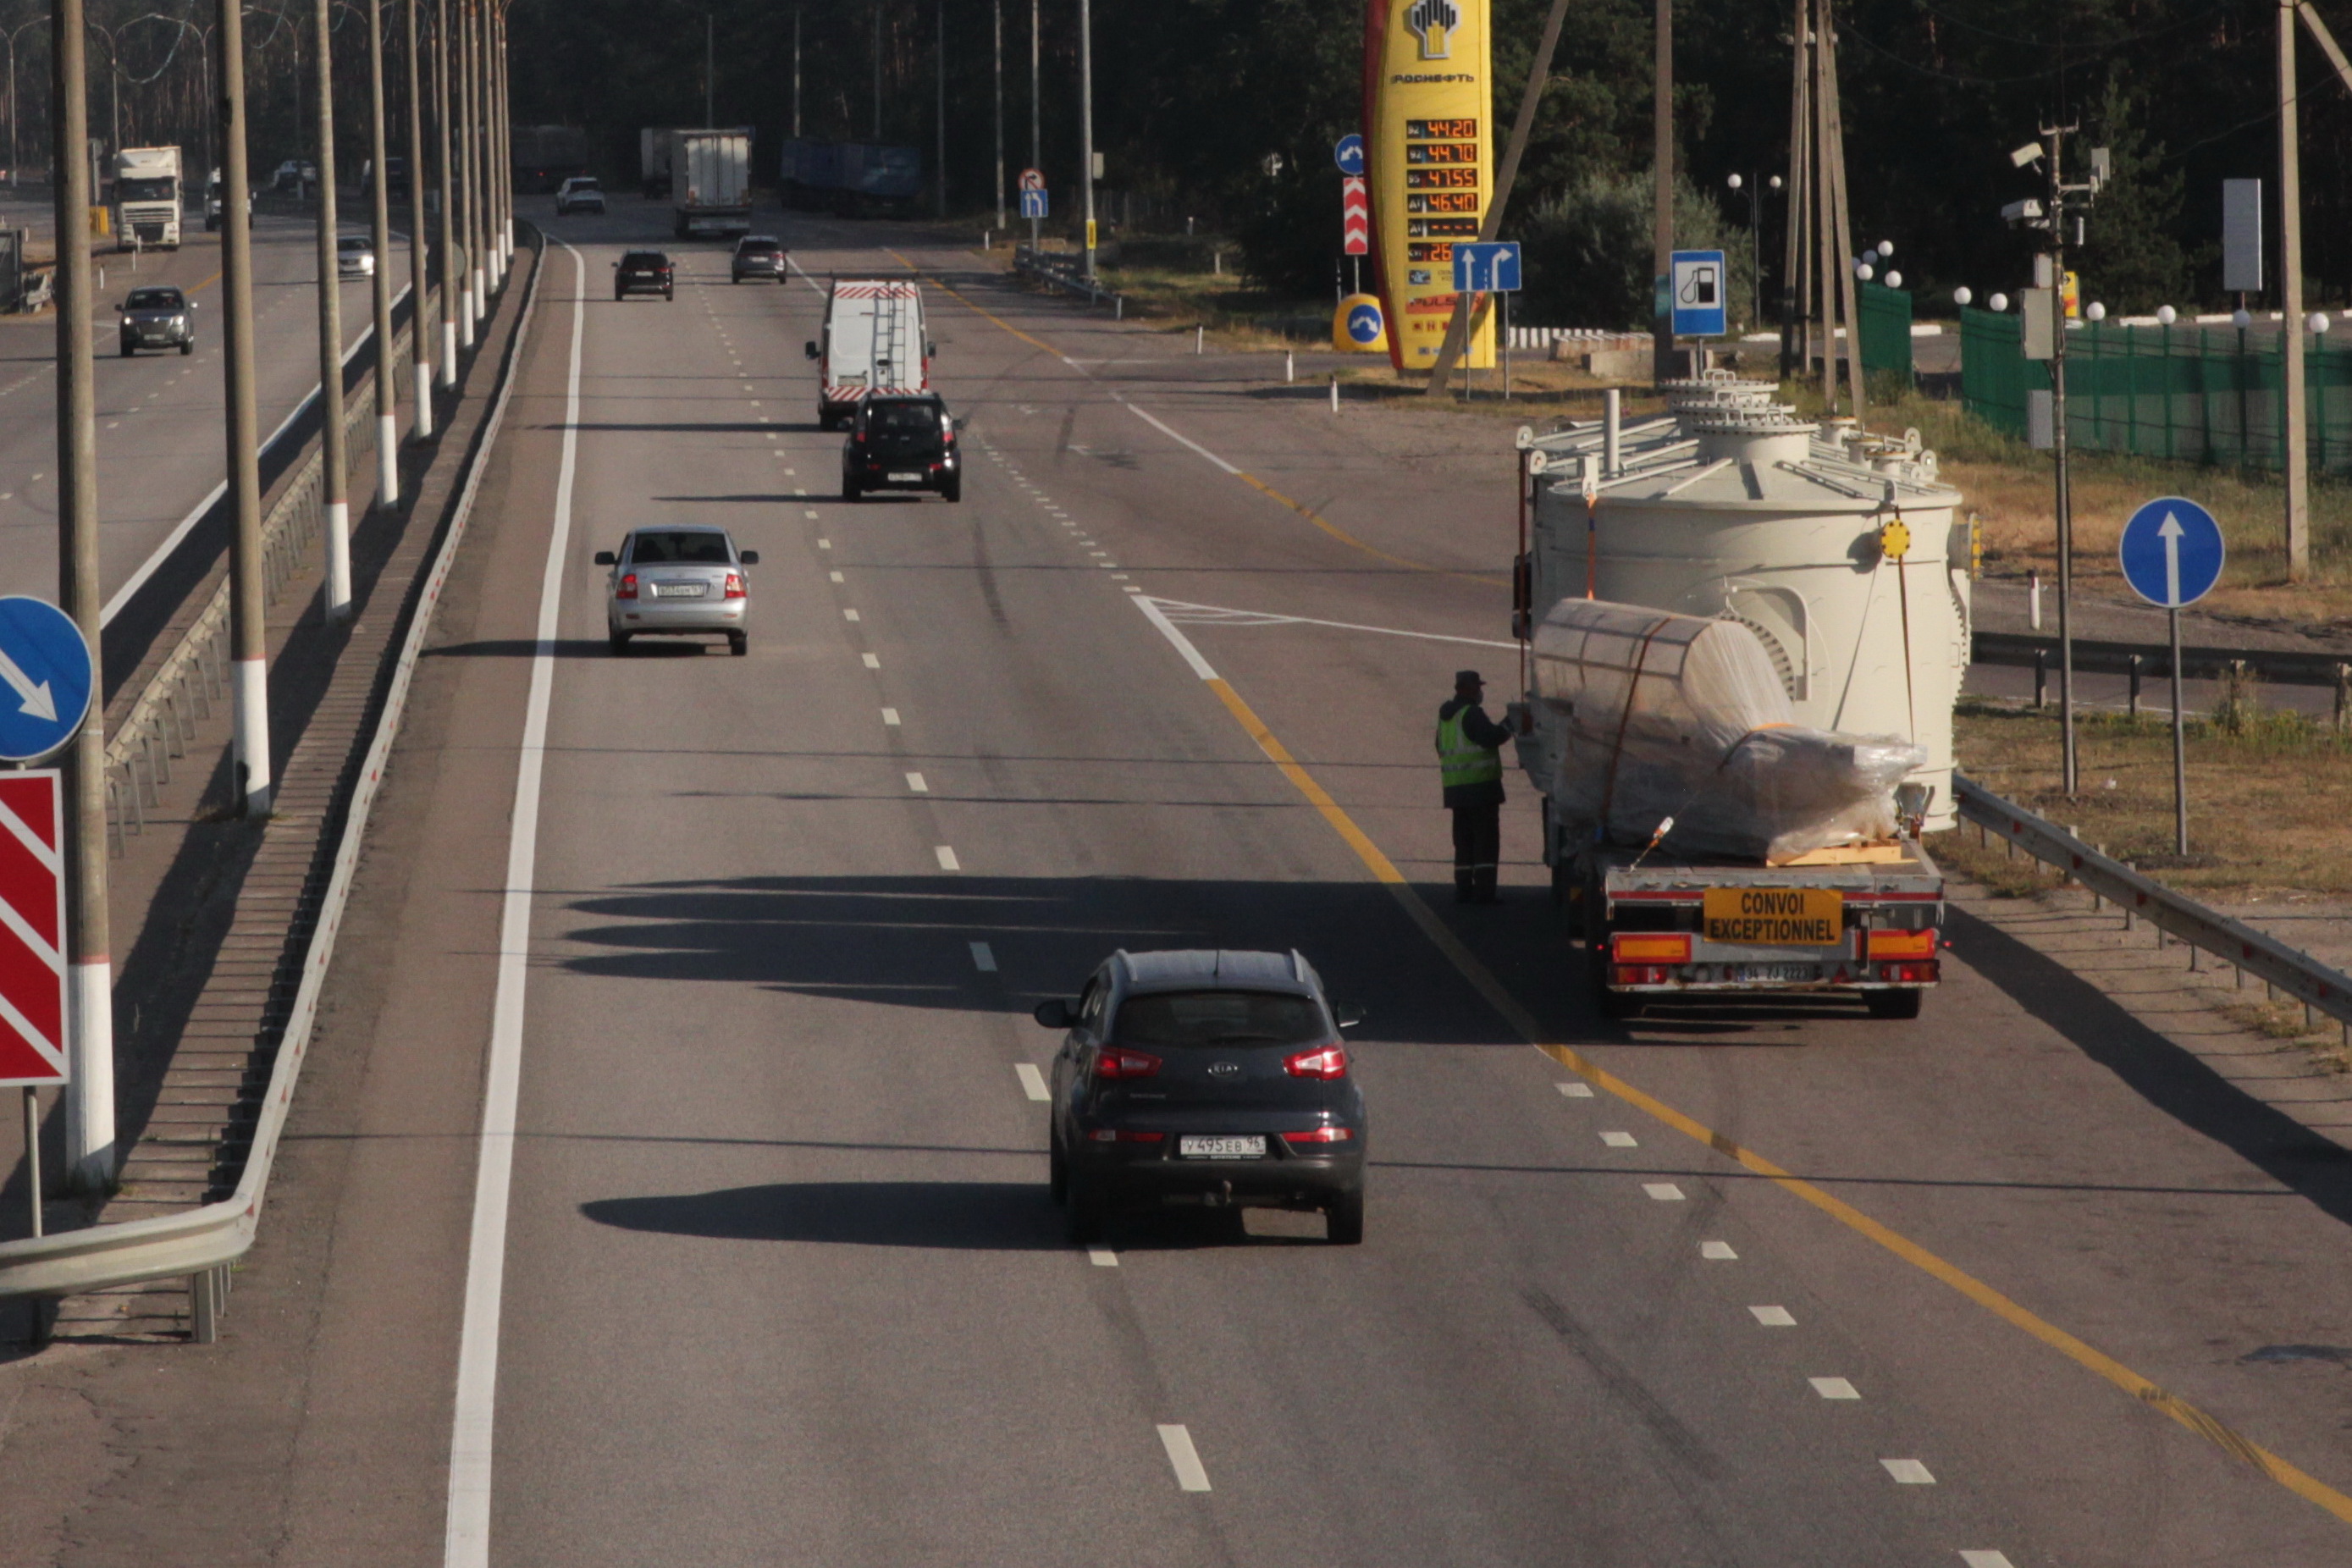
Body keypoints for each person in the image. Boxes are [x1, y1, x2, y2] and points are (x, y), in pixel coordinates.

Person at [1435, 670, 1514, 904]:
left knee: (1464, 842)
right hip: (1480, 788)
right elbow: (1490, 738)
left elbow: (1439, 747)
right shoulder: (1471, 713)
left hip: (1456, 791)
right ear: (1467, 688)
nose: (1480, 692)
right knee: (1485, 842)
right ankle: (1484, 893)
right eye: (1477, 687)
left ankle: (1463, 889)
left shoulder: (1446, 716)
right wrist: (1511, 723)